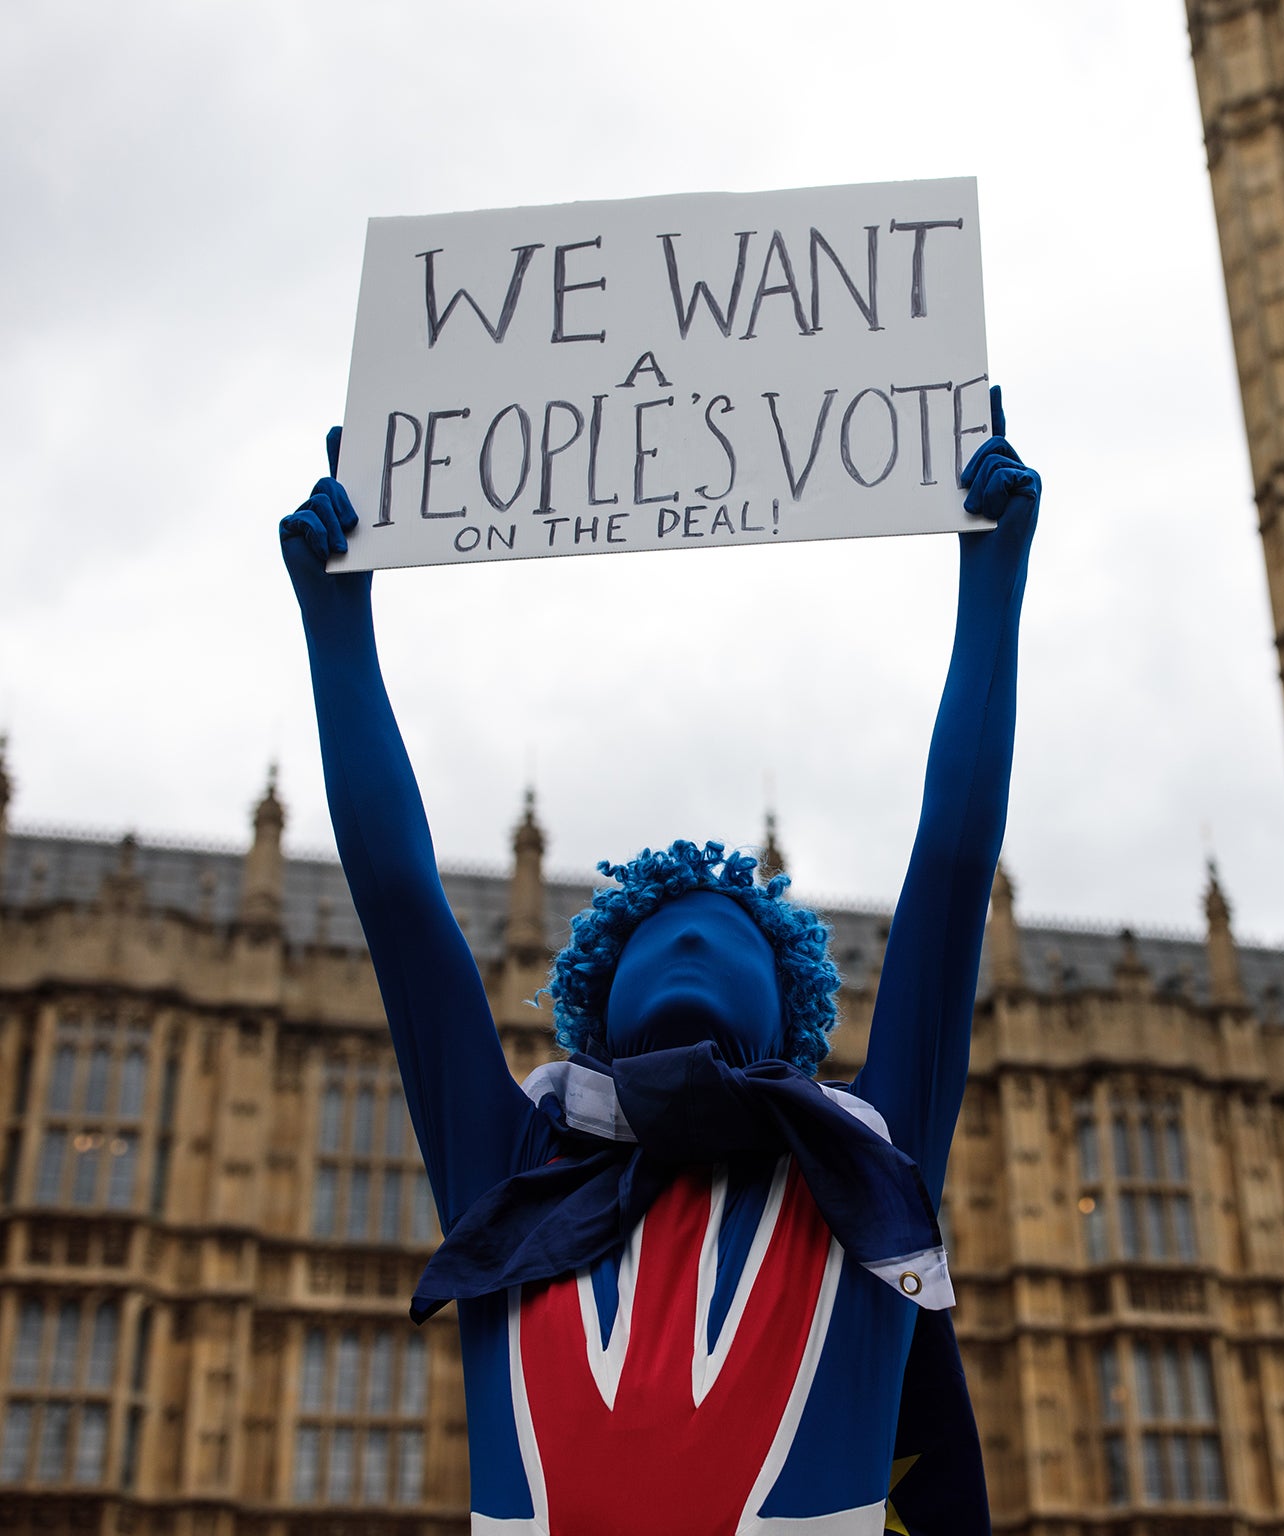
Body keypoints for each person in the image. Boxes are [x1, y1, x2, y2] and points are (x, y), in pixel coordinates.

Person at [278, 389, 1041, 1535]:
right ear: (588, 1009)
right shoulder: (514, 1177)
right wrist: (336, 622)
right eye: (652, 924)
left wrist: (994, 582)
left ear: (796, 1024)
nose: (689, 923)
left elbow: (952, 856)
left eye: (726, 922)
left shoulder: (862, 1167)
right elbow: (397, 898)